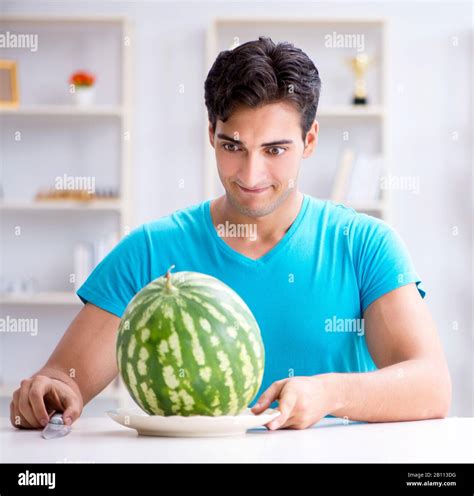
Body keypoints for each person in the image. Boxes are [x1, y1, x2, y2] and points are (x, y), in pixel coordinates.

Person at [11, 36, 451, 431]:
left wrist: (330, 393)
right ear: (211, 134)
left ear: (310, 140)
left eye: (275, 149)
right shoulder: (148, 252)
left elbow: (431, 386)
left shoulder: (365, 246)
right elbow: (59, 383)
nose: (251, 173)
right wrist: (44, 396)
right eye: (232, 147)